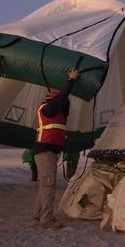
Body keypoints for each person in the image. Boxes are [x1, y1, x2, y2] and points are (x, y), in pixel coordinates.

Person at [32, 68, 79, 229]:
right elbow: (61, 100)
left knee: (45, 184)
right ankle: (46, 219)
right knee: (48, 184)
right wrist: (71, 81)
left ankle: (39, 213)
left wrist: (70, 87)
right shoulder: (47, 108)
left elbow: (64, 105)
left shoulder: (58, 112)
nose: (63, 104)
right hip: (45, 150)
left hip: (49, 151)